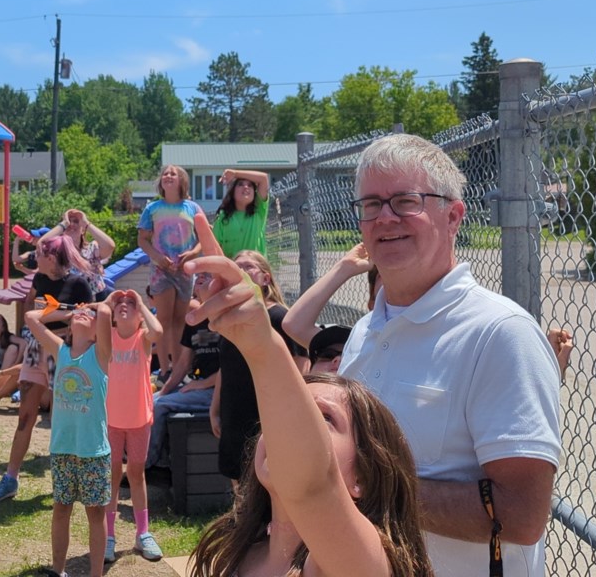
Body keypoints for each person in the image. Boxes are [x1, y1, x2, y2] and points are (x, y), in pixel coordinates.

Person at [340, 134, 561, 576]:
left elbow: (521, 515)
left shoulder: (499, 334)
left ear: (453, 216)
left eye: (405, 201)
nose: (384, 218)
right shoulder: (364, 331)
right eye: (371, 204)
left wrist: (363, 488)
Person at [185, 212, 433, 577]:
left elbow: (314, 484)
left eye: (323, 420)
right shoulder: (239, 550)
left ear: (362, 476)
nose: (289, 429)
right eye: (288, 415)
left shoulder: (351, 563)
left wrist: (261, 343)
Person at [0, 235, 93, 503]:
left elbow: (90, 317)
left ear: (52, 258)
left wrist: (58, 316)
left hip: (63, 351)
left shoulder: (78, 283)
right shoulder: (39, 279)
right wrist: (38, 321)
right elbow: (32, 305)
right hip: (35, 349)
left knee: (60, 420)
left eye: (40, 254)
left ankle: (63, 480)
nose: (35, 257)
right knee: (25, 417)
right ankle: (10, 479)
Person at [26, 301, 112, 577]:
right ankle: (57, 570)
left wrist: (95, 306)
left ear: (97, 332)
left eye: (89, 315)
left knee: (95, 515)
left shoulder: (100, 354)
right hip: (63, 448)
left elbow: (107, 314)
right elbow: (31, 317)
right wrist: (66, 311)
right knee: (61, 509)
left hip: (93, 452)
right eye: (80, 314)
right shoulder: (60, 351)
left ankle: (95, 574)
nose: (83, 314)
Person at [210, 250, 308, 485]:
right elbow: (225, 366)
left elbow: (302, 364)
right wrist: (215, 409)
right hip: (234, 412)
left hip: (265, 414)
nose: (241, 271)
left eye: (248, 267)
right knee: (238, 479)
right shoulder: (230, 318)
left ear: (266, 278)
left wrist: (290, 411)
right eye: (236, 267)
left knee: (264, 483)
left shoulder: (278, 317)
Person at [102, 289, 164, 564]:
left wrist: (140, 302)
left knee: (136, 474)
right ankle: (109, 536)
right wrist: (108, 302)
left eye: (131, 303)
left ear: (140, 314)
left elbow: (158, 331)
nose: (124, 305)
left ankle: (143, 533)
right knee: (113, 476)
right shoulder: (107, 337)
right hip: (111, 419)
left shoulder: (143, 338)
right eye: (120, 304)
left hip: (139, 419)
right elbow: (98, 319)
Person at [146, 271, 221, 469]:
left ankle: (149, 466)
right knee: (148, 402)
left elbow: (233, 367)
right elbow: (182, 364)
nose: (201, 277)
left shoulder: (226, 318)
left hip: (218, 391)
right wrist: (164, 390)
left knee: (158, 407)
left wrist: (202, 384)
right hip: (198, 387)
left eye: (208, 275)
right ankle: (161, 459)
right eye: (200, 276)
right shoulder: (194, 321)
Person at [137, 165, 203, 382]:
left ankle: (179, 368)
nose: (168, 176)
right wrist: (158, 258)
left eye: (173, 174)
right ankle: (165, 370)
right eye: (165, 173)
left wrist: (191, 254)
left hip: (184, 270)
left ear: (182, 181)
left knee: (180, 321)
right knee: (164, 320)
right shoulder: (152, 208)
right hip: (161, 270)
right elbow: (143, 239)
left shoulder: (192, 208)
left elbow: (203, 239)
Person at [40, 209, 116, 301]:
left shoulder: (92, 248)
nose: (71, 225)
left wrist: (86, 223)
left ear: (83, 230)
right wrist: (64, 224)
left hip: (97, 299)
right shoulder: (58, 252)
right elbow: (41, 244)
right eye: (68, 222)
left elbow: (110, 246)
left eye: (76, 221)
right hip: (71, 301)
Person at [212, 168, 271, 258]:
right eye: (240, 184)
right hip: (232, 269)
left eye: (250, 185)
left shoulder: (258, 211)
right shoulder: (223, 218)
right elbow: (215, 247)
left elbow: (263, 179)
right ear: (232, 192)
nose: (246, 187)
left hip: (255, 268)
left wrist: (235, 174)